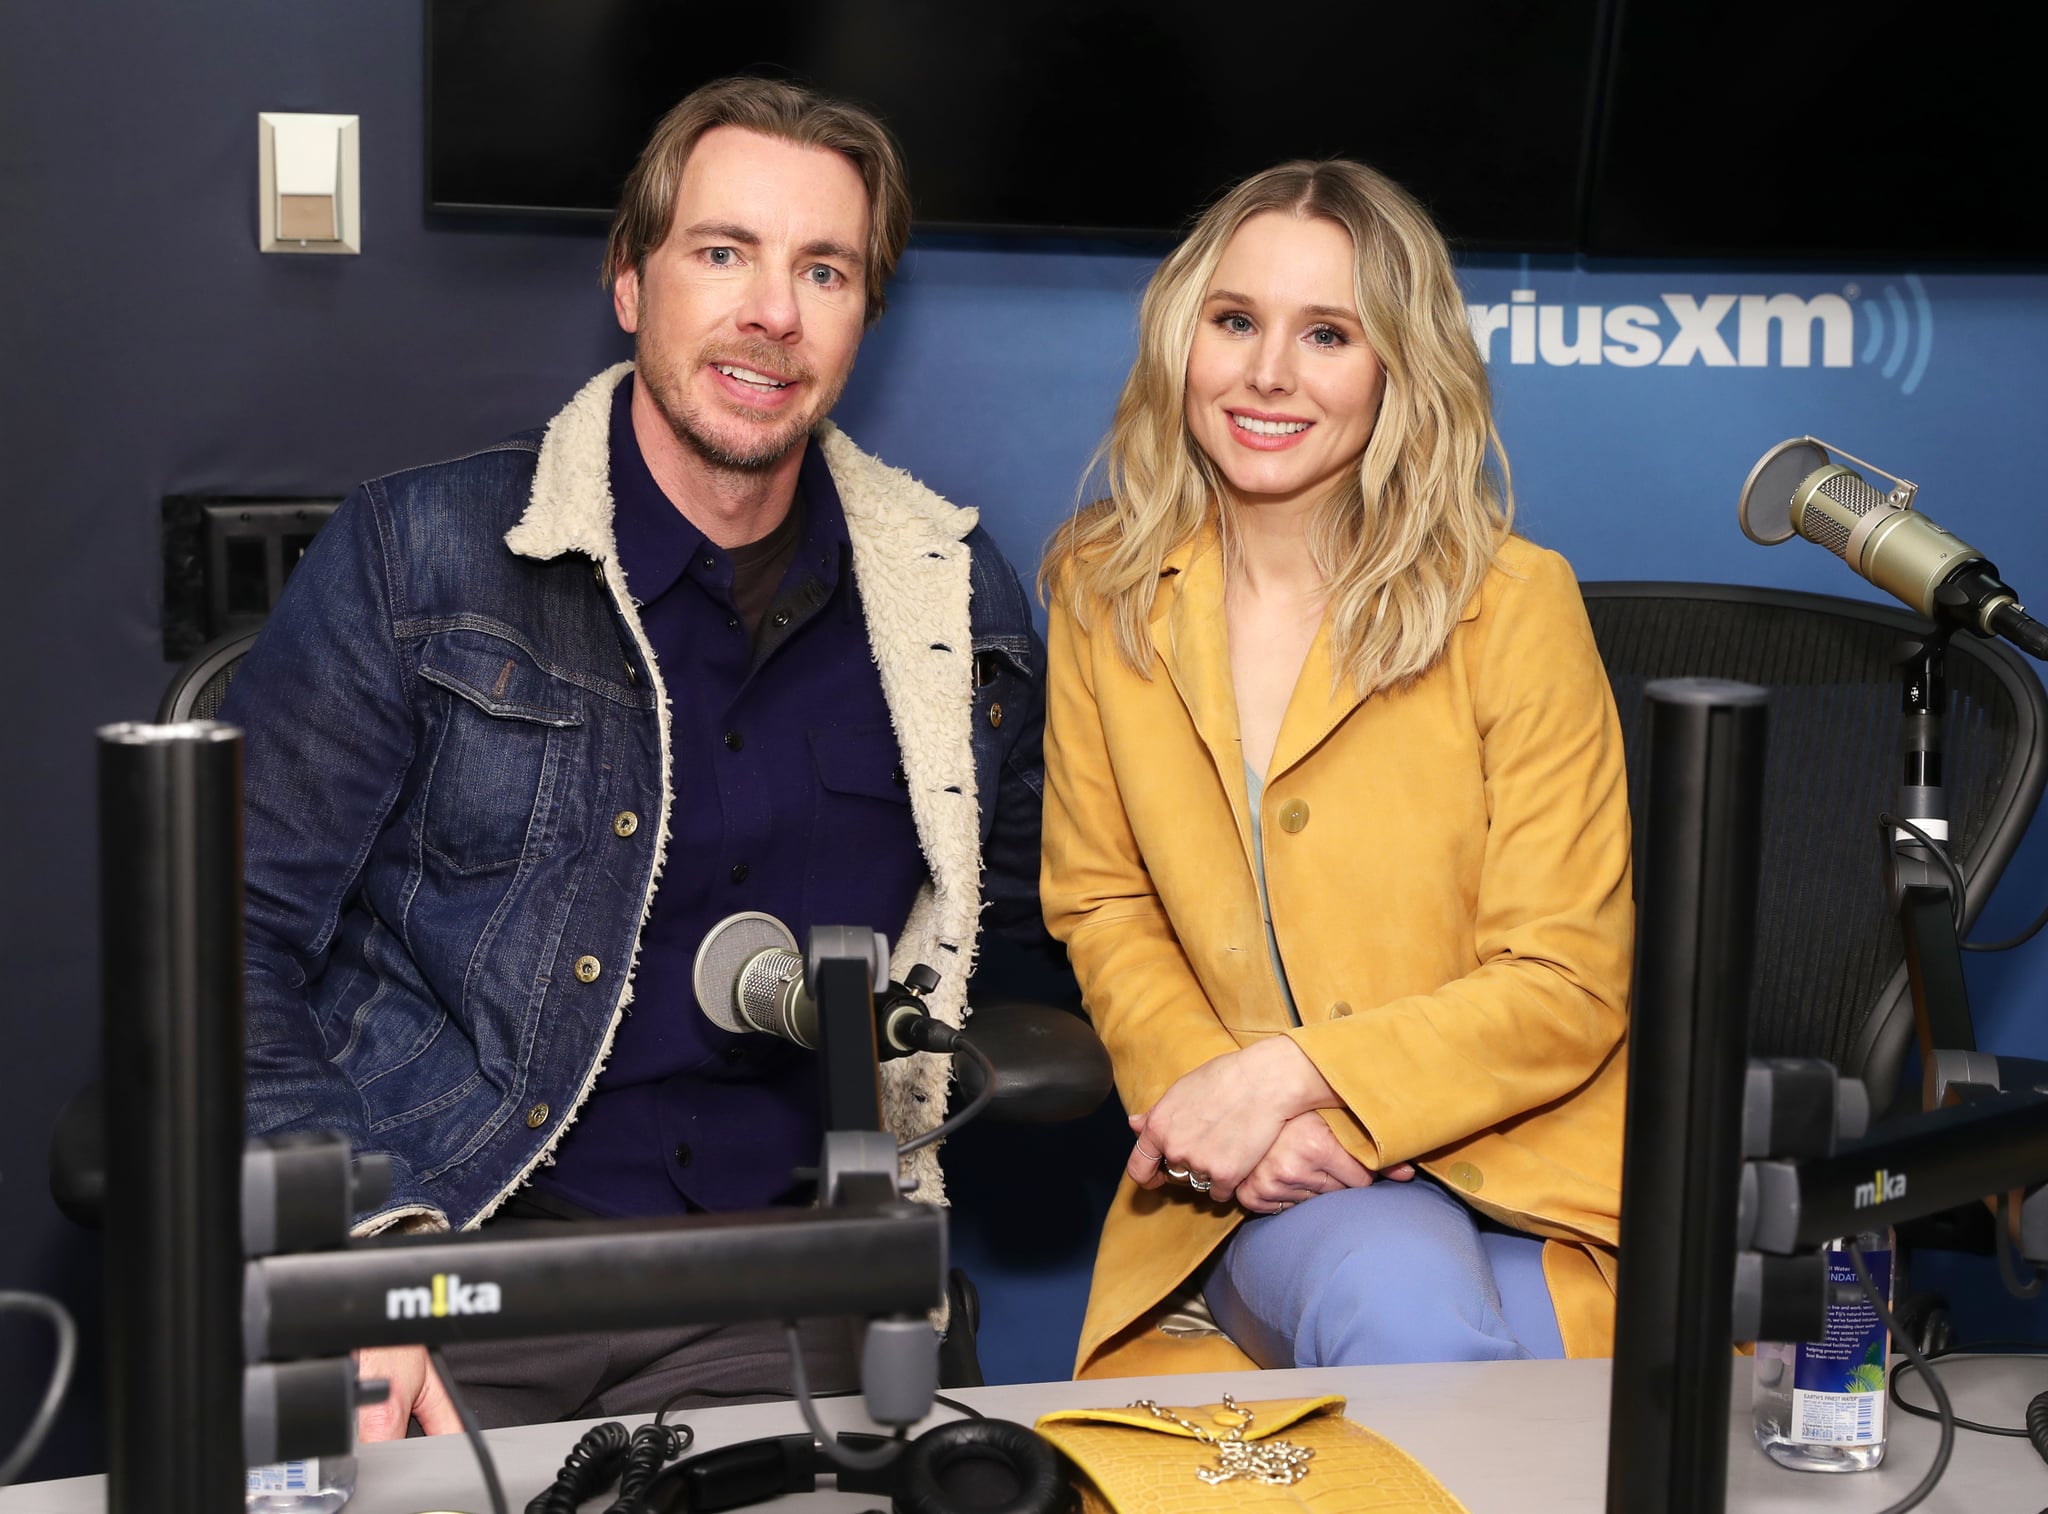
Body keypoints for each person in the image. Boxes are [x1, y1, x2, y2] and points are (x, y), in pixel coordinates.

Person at [224, 77, 1048, 1435]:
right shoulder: (415, 556)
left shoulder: (956, 607)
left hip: (778, 1285)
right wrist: (354, 1258)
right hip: (452, 1256)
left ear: (862, 320)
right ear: (631, 282)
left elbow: (1049, 913)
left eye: (823, 269)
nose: (772, 312)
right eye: (723, 252)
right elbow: (228, 950)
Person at [1038, 159, 1633, 1381]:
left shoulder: (1515, 603)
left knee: (1501, 1375)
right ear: (1179, 340)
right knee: (1398, 1297)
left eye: (1326, 333)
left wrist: (1293, 1076)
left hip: (1534, 1172)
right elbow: (1101, 902)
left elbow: (1565, 977)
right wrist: (1226, 1115)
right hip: (1262, 1189)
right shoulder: (1099, 588)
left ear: (1396, 368)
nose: (1268, 372)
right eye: (1235, 321)